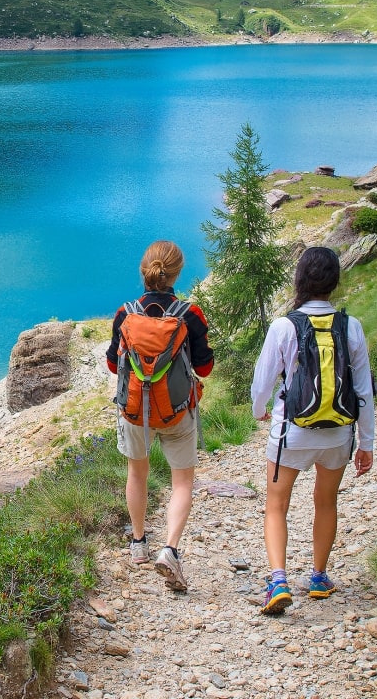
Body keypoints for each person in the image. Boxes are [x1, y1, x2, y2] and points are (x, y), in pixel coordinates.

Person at [249, 246, 375, 615]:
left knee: (276, 504)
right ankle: (319, 577)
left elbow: (262, 382)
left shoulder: (284, 326)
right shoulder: (351, 326)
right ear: (334, 281)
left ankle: (278, 580)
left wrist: (261, 411)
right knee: (326, 501)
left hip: (292, 433)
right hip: (338, 432)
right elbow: (364, 390)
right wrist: (365, 443)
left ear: (300, 278)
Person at [107, 240, 214, 591]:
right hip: (177, 412)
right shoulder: (190, 313)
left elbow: (112, 363)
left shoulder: (126, 312)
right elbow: (205, 366)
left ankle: (138, 544)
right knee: (182, 482)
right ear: (177, 272)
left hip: (135, 410)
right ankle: (170, 549)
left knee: (137, 473)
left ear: (144, 271)